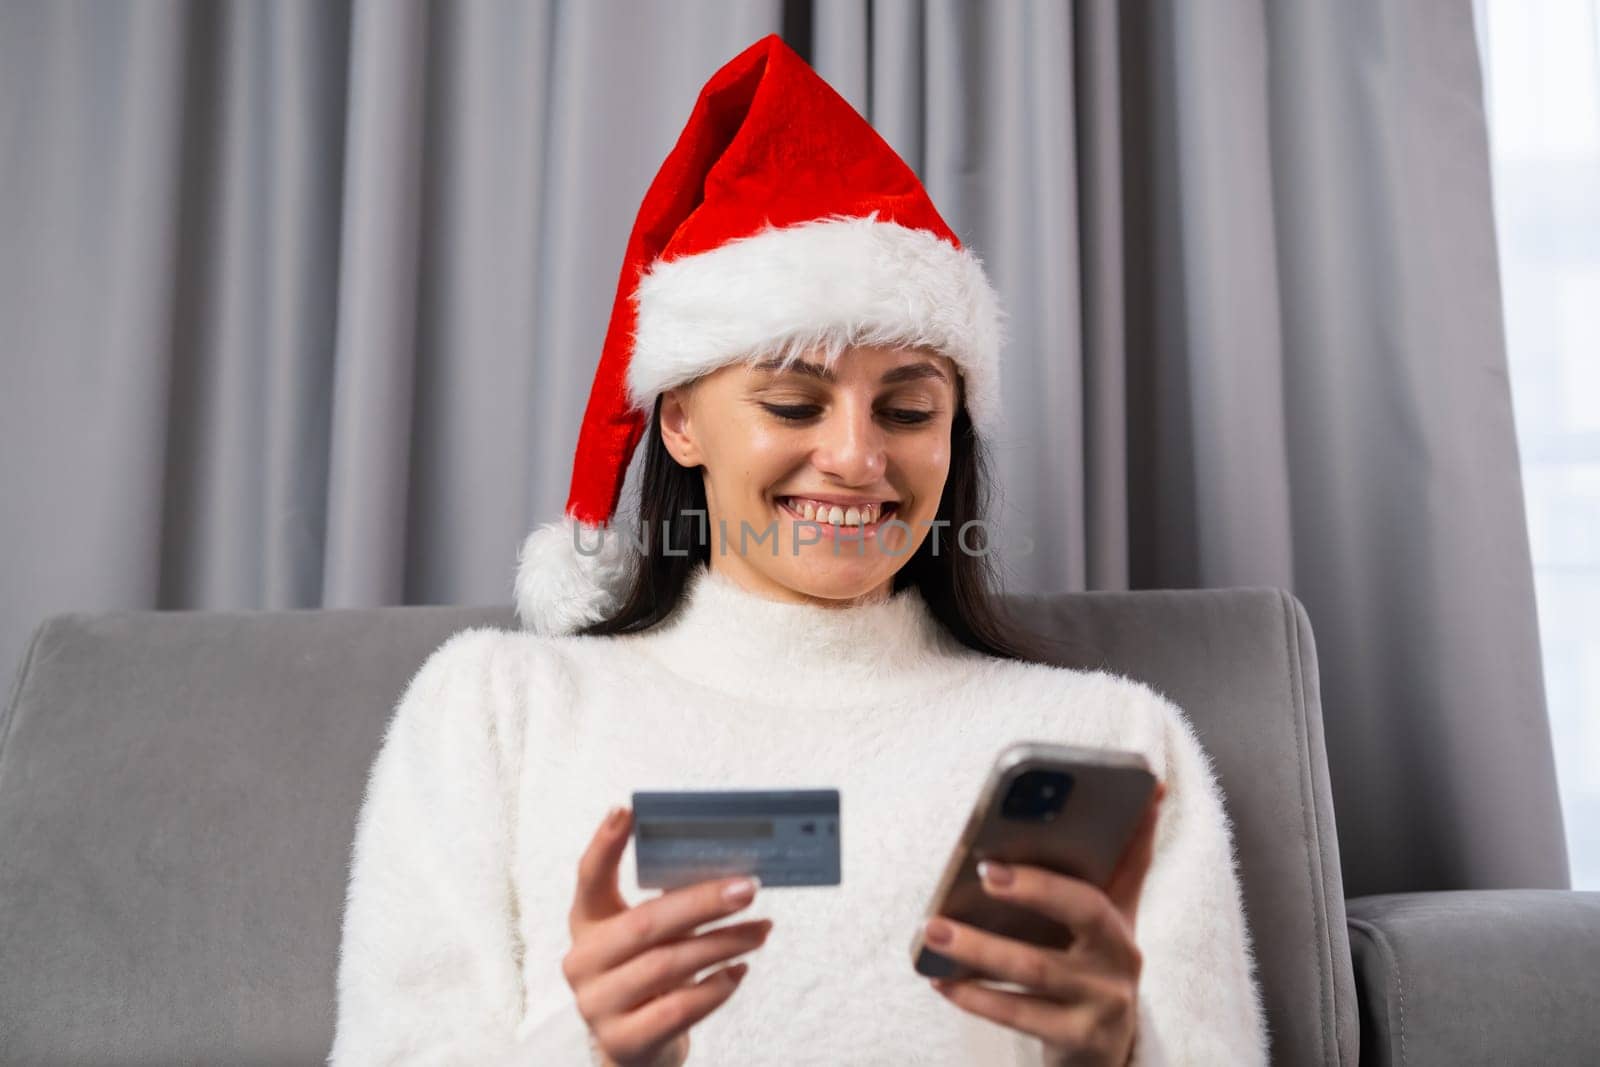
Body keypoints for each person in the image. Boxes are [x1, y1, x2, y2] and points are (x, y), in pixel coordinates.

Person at [329, 33, 1269, 1067]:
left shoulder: (1106, 736)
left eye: (908, 408)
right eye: (792, 401)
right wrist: (583, 1048)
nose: (858, 457)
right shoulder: (498, 707)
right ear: (680, 421)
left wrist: (1118, 1054)